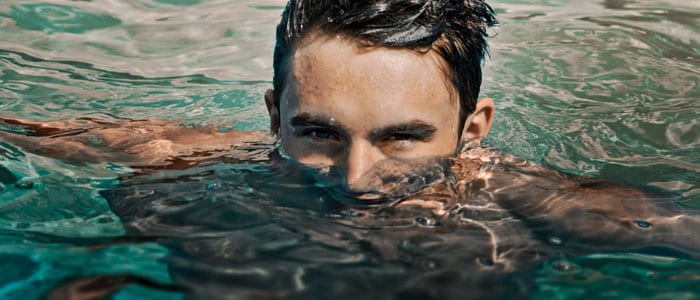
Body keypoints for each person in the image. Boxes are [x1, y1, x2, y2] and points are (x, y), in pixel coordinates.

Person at [2, 0, 699, 275]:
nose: (355, 179)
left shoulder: (543, 204)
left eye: (403, 138)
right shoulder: (180, 160)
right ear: (274, 116)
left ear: (473, 128)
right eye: (318, 133)